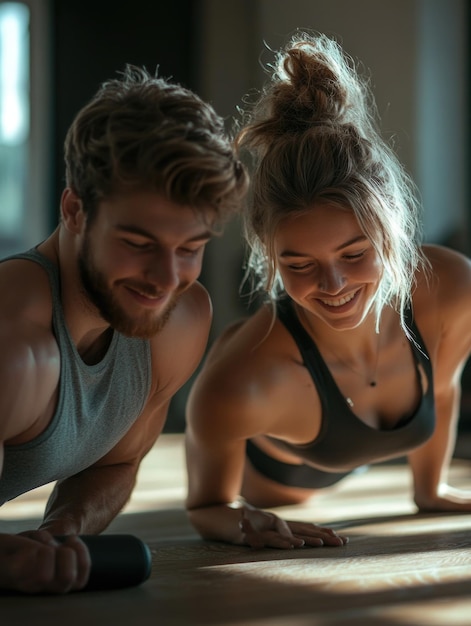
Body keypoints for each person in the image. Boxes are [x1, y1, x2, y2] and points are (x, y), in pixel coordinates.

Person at [185, 31, 471, 551]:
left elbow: (445, 388)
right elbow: (206, 507)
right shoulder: (238, 384)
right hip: (289, 480)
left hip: (367, 442)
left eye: (355, 254)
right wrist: (241, 522)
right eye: (299, 264)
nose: (333, 285)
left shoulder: (453, 290)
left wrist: (431, 490)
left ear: (394, 230)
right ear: (270, 257)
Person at [0, 65, 247, 593]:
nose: (166, 279)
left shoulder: (177, 322)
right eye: (138, 244)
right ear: (74, 211)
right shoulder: (14, 347)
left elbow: (116, 463)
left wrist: (61, 533)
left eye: (190, 249)